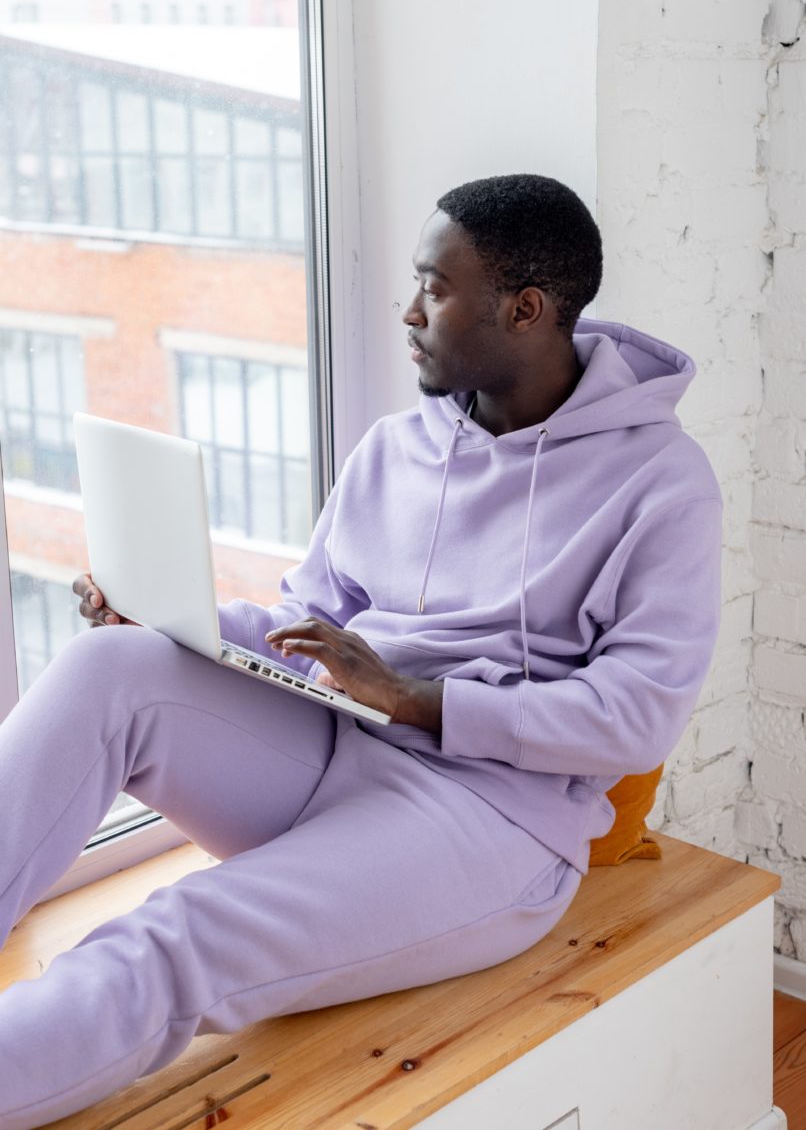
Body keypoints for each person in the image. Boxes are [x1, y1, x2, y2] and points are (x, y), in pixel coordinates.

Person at [0, 174, 722, 1127]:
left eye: (435, 286)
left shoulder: (662, 485)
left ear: (525, 308)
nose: (409, 311)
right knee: (108, 672)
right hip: (332, 750)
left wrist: (420, 699)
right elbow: (309, 622)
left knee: (177, 932)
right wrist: (177, 622)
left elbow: (637, 718)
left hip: (491, 822)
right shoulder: (397, 447)